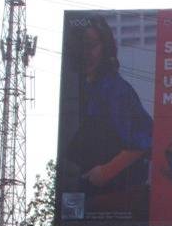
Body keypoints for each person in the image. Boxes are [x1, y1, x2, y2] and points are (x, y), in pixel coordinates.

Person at [64, 15, 152, 213]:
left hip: (113, 196)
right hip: (92, 192)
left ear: (105, 47)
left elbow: (143, 140)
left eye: (91, 45)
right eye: (81, 46)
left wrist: (105, 172)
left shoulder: (114, 89)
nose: (85, 53)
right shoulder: (88, 84)